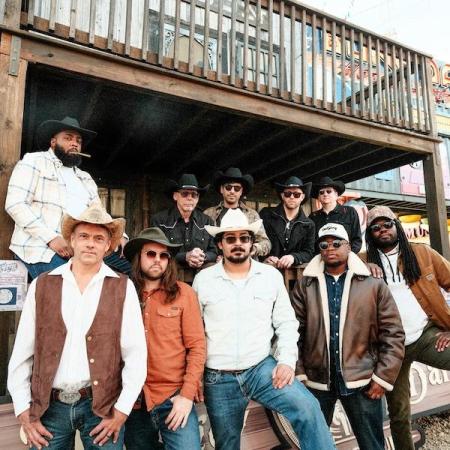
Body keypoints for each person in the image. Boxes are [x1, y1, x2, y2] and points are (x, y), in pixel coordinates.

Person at [192, 208, 336, 450]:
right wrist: (195, 375)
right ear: (220, 245)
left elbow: (286, 323)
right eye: (230, 239)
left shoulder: (270, 276)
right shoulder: (203, 280)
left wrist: (286, 362)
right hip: (218, 376)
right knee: (227, 444)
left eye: (244, 238)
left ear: (252, 243)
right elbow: (195, 333)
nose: (238, 244)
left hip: (261, 368)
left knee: (308, 408)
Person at [7, 203, 147, 450]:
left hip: (103, 409)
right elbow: (22, 353)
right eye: (84, 236)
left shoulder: (122, 287)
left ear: (108, 245)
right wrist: (23, 410)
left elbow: (136, 355)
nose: (90, 244)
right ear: (71, 240)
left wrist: (122, 411)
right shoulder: (42, 284)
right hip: (48, 409)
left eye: (98, 238)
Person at [291, 223, 405, 450]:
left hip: (362, 380)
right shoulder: (305, 285)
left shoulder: (373, 284)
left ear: (349, 247)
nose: (330, 249)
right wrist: (300, 373)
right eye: (324, 245)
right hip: (316, 381)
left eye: (336, 243)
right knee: (313, 444)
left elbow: (393, 333)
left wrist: (382, 378)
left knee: (372, 444)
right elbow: (293, 332)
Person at [365, 205, 450, 450]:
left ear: (397, 226)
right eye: (376, 227)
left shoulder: (422, 253)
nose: (382, 230)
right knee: (399, 413)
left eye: (387, 224)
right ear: (370, 234)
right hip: (391, 349)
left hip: (425, 335)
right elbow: (335, 257)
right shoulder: (362, 261)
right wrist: (360, 265)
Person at [5, 116, 130, 279]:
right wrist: (51, 238)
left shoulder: (85, 178)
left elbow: (98, 214)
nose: (74, 143)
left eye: (78, 141)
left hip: (82, 246)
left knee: (134, 268)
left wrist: (119, 235)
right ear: (53, 142)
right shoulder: (34, 162)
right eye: (68, 138)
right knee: (70, 282)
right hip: (41, 247)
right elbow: (15, 204)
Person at [122, 227, 206, 450]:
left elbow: (197, 347)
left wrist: (186, 395)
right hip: (133, 398)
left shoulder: (184, 293)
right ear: (138, 257)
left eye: (164, 255)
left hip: (173, 397)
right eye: (151, 254)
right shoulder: (123, 293)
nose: (157, 260)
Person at [150, 174, 217, 269]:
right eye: (185, 194)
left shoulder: (207, 221)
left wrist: (203, 257)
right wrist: (185, 256)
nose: (189, 198)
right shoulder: (159, 220)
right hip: (169, 272)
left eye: (194, 195)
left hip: (199, 272)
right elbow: (155, 251)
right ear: (175, 196)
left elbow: (214, 252)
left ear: (197, 198)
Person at [204, 167, 271, 258]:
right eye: (228, 187)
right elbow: (203, 242)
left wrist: (253, 249)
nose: (232, 191)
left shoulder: (252, 214)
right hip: (216, 262)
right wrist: (214, 257)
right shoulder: (208, 214)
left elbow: (266, 243)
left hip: (246, 261)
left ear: (241, 191)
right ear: (221, 189)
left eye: (237, 188)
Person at [260, 176, 315, 269]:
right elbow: (257, 240)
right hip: (268, 270)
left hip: (294, 275)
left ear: (302, 197)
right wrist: (265, 258)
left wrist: (293, 257)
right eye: (288, 194)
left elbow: (309, 252)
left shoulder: (309, 224)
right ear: (282, 196)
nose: (292, 197)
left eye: (296, 194)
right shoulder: (266, 215)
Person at [309, 176, 362, 254]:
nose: (325, 194)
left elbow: (357, 240)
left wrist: (348, 255)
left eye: (329, 191)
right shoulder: (313, 217)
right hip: (320, 258)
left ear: (336, 194)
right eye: (321, 192)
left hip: (346, 257)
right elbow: (310, 242)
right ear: (318, 197)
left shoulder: (350, 212)